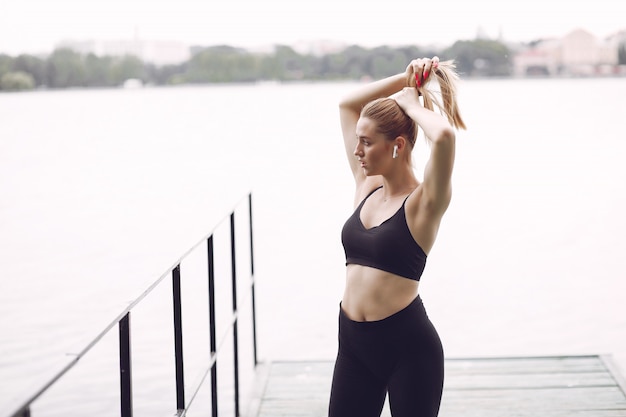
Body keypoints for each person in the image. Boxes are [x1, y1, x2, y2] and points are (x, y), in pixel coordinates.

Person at [328, 56, 466, 417]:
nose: (357, 151)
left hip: (409, 350)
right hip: (353, 345)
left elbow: (445, 136)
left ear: (398, 145)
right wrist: (407, 79)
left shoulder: (424, 204)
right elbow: (347, 104)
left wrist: (410, 102)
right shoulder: (367, 187)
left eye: (366, 142)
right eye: (357, 140)